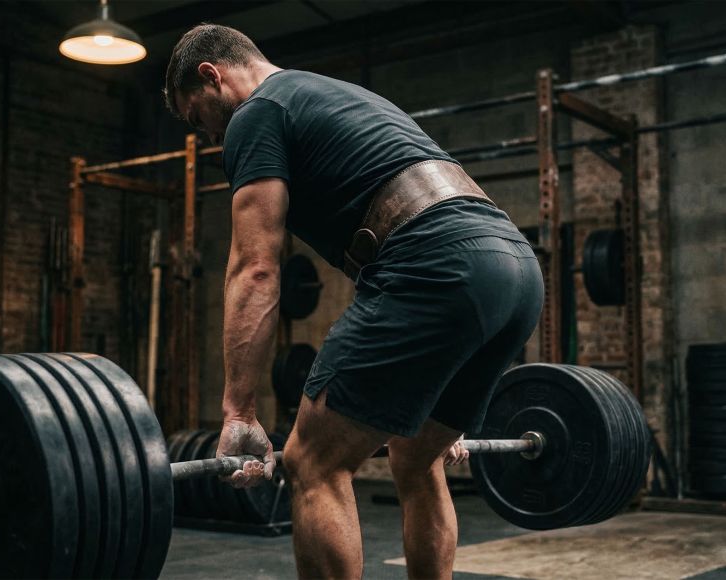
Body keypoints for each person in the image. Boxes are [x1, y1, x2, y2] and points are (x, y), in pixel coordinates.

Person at [164, 24, 543, 579]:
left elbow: (256, 267)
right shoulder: (330, 92)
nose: (214, 136)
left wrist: (240, 411)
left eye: (200, 119)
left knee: (311, 461)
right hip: (514, 266)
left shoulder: (256, 113)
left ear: (211, 76)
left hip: (434, 265)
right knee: (419, 458)